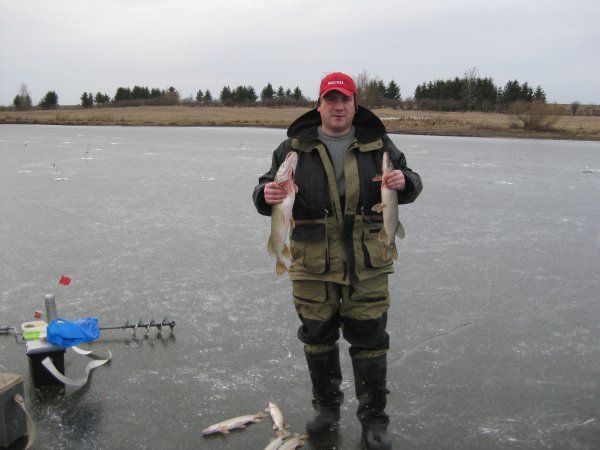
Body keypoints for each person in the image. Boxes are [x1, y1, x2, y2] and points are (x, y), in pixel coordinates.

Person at [252, 72, 422, 449]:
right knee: (317, 337)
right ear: (319, 105)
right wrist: (265, 193)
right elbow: (263, 189)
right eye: (330, 99)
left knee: (370, 341)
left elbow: (411, 179)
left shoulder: (379, 143)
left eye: (344, 99)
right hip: (312, 261)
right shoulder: (293, 147)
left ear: (355, 104)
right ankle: (327, 407)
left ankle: (374, 418)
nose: (338, 106)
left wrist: (404, 183)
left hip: (368, 260)